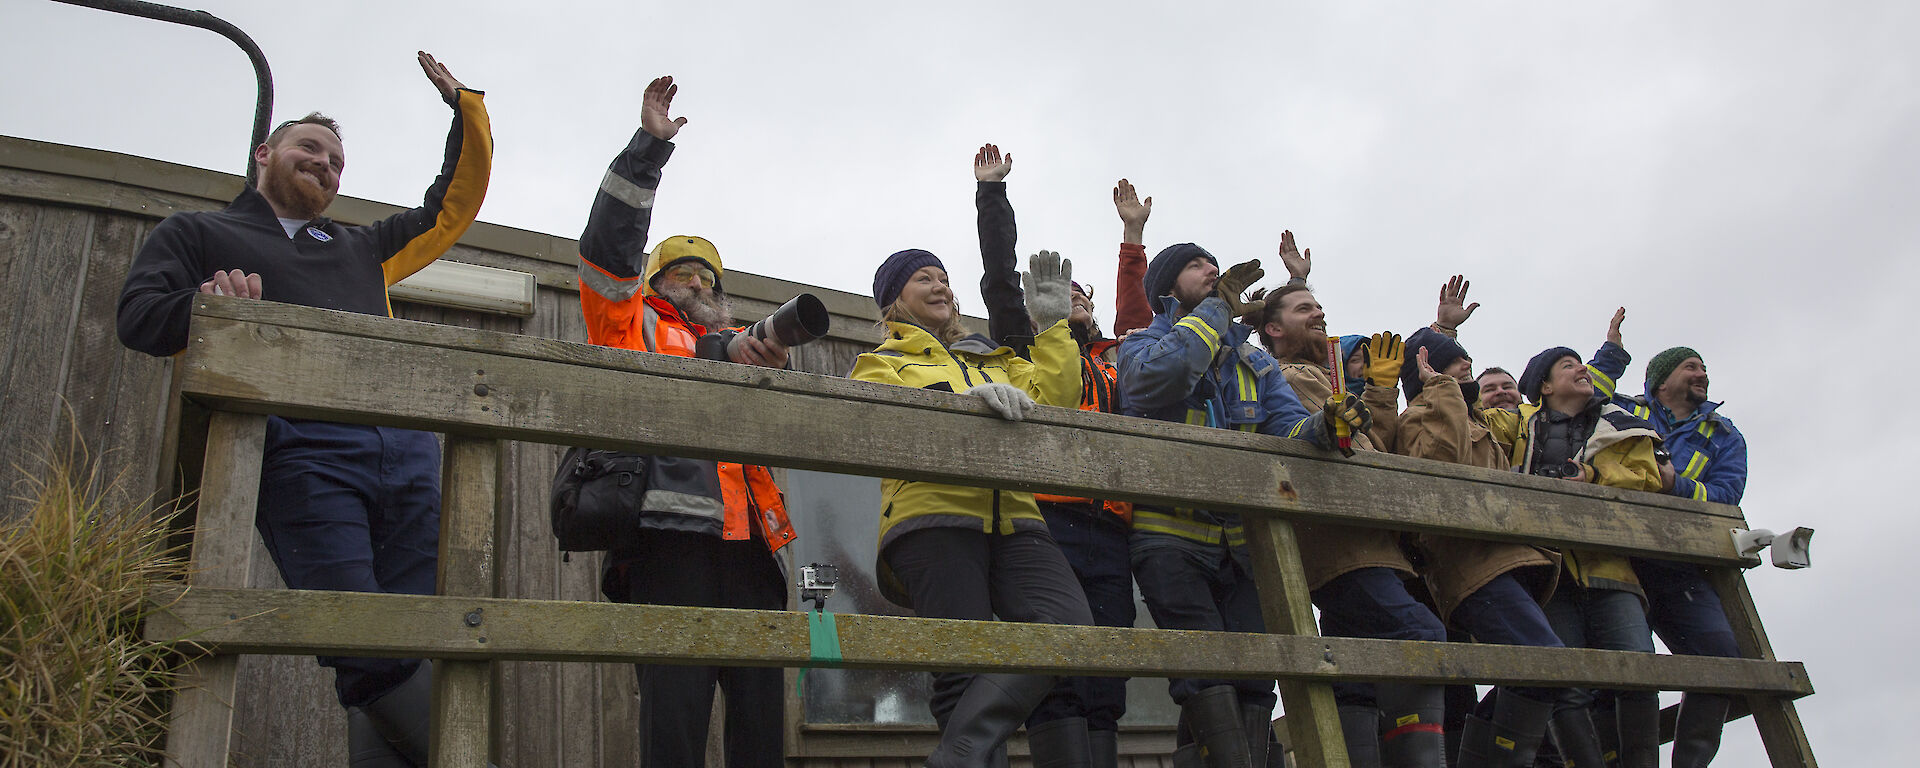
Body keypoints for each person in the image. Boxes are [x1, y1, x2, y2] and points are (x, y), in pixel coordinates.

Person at [115, 53, 490, 766]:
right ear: (266, 154)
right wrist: (207, 311)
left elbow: (452, 203)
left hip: (405, 454)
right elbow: (137, 319)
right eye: (309, 148)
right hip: (300, 454)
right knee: (361, 643)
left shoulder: (364, 247)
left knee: (414, 642)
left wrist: (462, 108)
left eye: (338, 160)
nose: (325, 164)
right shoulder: (198, 233)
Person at [575, 75, 799, 768]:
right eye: (683, 274)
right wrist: (648, 150)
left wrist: (773, 367)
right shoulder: (629, 322)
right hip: (671, 543)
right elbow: (608, 252)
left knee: (763, 725)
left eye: (709, 276)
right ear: (655, 279)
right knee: (674, 722)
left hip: (753, 549)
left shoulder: (744, 346)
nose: (698, 284)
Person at [1117, 236, 1368, 768]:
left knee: (1256, 677)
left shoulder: (1254, 360)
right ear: (1167, 287)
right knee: (1204, 667)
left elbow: (1287, 430)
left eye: (1212, 263)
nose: (1209, 268)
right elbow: (1159, 381)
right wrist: (1216, 310)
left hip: (1244, 544)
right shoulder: (1141, 345)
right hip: (1170, 534)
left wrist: (1325, 427)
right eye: (1194, 266)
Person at [851, 247, 1091, 767]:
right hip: (931, 517)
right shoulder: (880, 363)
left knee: (1069, 626)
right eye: (923, 279)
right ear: (893, 301)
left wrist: (1052, 327)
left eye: (944, 278)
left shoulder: (997, 360)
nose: (941, 286)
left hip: (1019, 517)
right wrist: (958, 410)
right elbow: (876, 430)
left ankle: (957, 754)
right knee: (962, 661)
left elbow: (1059, 400)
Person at [967, 145, 1148, 767]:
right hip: (1051, 517)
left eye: (1082, 292)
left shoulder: (1117, 362)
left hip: (1114, 525)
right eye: (1061, 289)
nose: (1073, 296)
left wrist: (1131, 236)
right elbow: (999, 281)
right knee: (1060, 665)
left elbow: (1139, 314)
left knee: (1108, 667)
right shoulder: (1031, 343)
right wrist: (993, 195)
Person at [1243, 239, 1451, 768]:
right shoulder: (1283, 376)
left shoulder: (1321, 376)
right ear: (1273, 329)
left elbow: (1371, 445)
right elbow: (1340, 446)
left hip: (1366, 543)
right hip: (1343, 545)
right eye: (1305, 310)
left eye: (1321, 309)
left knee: (1355, 679)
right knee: (1421, 635)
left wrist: (1379, 393)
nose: (1320, 316)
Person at [1376, 277, 1581, 768]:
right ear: (1431, 372)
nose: (1467, 369)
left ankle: (1478, 749)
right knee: (1546, 663)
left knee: (1545, 670)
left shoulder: (1469, 417)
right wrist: (1440, 385)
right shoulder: (1424, 415)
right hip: (1472, 569)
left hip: (1504, 562)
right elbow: (1444, 472)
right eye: (1456, 365)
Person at [1585, 308, 1748, 767]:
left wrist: (1674, 483)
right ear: (1661, 381)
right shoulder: (1627, 409)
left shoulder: (1723, 434)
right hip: (1616, 557)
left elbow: (1726, 496)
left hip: (1680, 564)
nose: (1702, 374)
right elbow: (1575, 392)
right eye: (1690, 366)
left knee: (1721, 657)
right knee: (1623, 672)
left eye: (1702, 368)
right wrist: (1612, 352)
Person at [1491, 344, 1666, 768]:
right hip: (1548, 573)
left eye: (1581, 364)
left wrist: (1594, 476)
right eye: (1568, 367)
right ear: (1545, 387)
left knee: (1639, 675)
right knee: (1564, 683)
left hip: (1610, 569)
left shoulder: (1620, 424)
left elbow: (1648, 477)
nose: (1581, 370)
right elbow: (1473, 426)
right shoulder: (1519, 424)